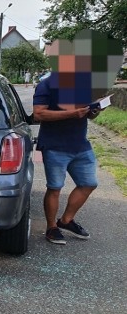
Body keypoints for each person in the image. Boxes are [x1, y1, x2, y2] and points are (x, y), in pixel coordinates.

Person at [33, 71, 100, 245]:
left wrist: (94, 111)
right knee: (55, 188)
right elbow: (39, 114)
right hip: (55, 146)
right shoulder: (46, 85)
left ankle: (66, 220)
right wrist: (72, 114)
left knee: (89, 183)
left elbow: (87, 113)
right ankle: (51, 227)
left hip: (80, 145)